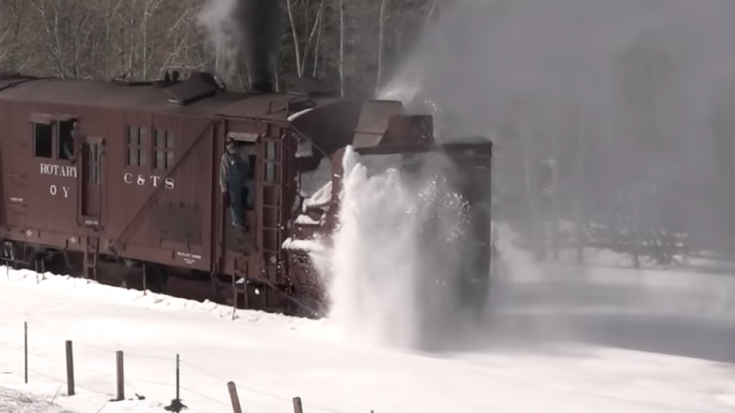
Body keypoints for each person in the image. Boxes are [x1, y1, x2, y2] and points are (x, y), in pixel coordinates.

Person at [219, 137, 251, 230]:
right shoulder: (225, 158)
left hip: (245, 180)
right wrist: (224, 189)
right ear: (226, 147)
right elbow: (222, 175)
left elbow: (248, 167)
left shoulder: (243, 153)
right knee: (235, 202)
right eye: (229, 146)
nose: (231, 147)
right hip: (233, 184)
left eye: (232, 145)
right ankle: (238, 223)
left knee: (251, 194)